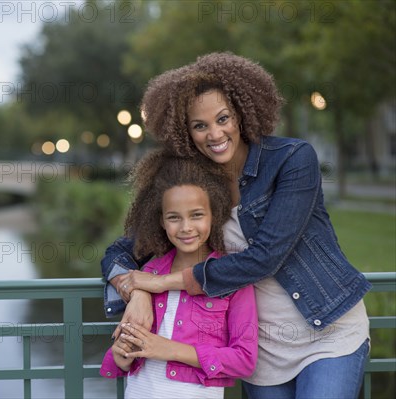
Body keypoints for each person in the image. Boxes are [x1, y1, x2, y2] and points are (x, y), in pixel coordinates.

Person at [101, 52, 371, 399]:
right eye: (200, 125)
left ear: (241, 114)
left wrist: (161, 282)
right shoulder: (193, 183)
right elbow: (121, 252)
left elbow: (265, 257)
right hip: (261, 349)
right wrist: (136, 291)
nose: (215, 133)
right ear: (186, 132)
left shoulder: (292, 160)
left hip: (328, 329)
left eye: (223, 118)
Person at [100, 149, 258, 399]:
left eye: (196, 215)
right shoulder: (146, 276)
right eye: (174, 218)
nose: (186, 228)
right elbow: (126, 356)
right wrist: (120, 356)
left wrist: (170, 349)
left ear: (214, 215)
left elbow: (244, 359)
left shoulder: (232, 279)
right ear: (161, 221)